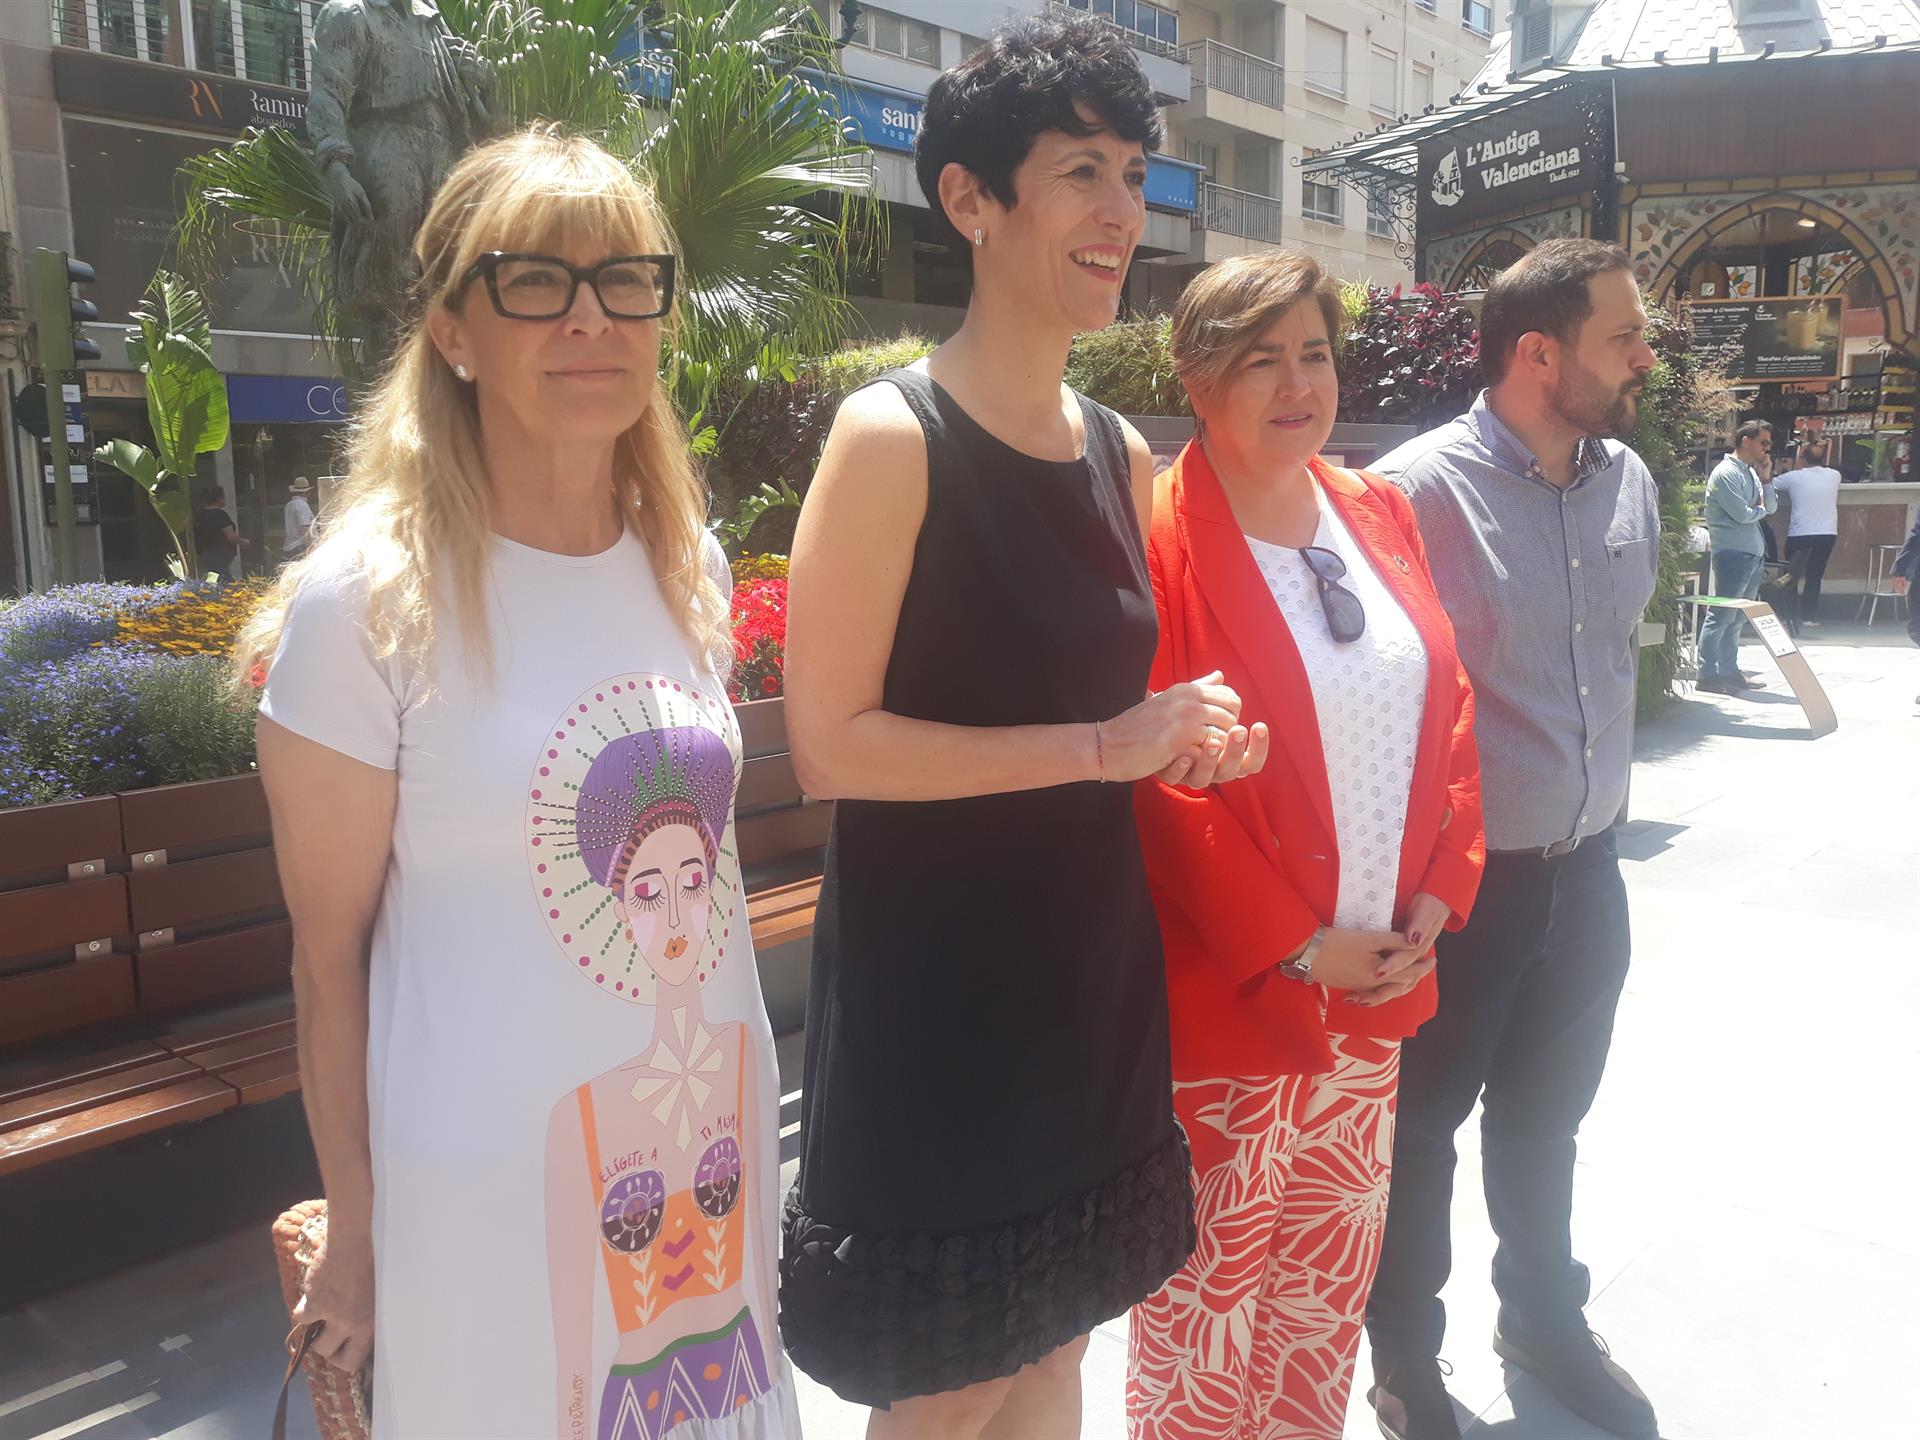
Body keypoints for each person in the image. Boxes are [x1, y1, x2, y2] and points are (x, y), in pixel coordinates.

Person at [236, 129, 800, 1438]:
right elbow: (328, 961)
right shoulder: (364, 606)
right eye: (535, 280)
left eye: (625, 280)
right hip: (485, 1200)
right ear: (452, 331)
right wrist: (356, 1234)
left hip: (703, 1164)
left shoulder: (686, 569)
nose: (590, 318)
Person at [779, 17, 1268, 1438]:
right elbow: (830, 746)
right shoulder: (892, 436)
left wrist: (1182, 740)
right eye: (1078, 173)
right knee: (952, 1386)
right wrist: (1104, 746)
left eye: (1134, 176)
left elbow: (1102, 705)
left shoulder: (1119, 446)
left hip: (1088, 979)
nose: (1121, 212)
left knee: (1056, 1356)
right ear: (970, 199)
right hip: (940, 997)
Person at [1124, 252, 1485, 1440]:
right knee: (1205, 1310)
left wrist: (1440, 891)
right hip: (1237, 1000)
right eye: (1261, 359)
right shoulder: (1157, 532)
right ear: (1196, 378)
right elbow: (1157, 779)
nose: (1298, 384)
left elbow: (1449, 700)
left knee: (1321, 1298)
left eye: (1315, 354)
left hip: (1373, 984)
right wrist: (1291, 944)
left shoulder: (1376, 508)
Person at [1362, 238, 1662, 1440]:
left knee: (1548, 1121)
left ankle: (1543, 1321)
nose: (1646, 357)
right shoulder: (1412, 493)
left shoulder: (1627, 478)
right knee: (1420, 1135)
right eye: (1623, 336)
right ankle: (1405, 1365)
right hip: (1458, 893)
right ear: (1540, 352)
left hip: (1590, 876)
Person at [1697, 419, 1777, 693]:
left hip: (1752, 553)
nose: (1767, 448)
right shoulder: (1725, 473)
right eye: (1763, 442)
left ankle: (1729, 672)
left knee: (1737, 618)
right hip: (1732, 553)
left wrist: (1766, 479)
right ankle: (1707, 675)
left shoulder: (1752, 473)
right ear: (1746, 440)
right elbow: (1742, 514)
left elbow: (1770, 507)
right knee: (1722, 615)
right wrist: (1758, 509)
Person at [1774, 439, 1842, 630]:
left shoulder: (1793, 477)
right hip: (1827, 533)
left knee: (1790, 576)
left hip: (1800, 532)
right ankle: (1808, 617)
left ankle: (1788, 614)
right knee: (1815, 575)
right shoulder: (1835, 476)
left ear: (1802, 459)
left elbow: (1770, 484)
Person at [193, 486, 253, 580]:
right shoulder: (220, 514)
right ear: (220, 499)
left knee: (213, 578)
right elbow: (231, 536)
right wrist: (245, 542)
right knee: (224, 579)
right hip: (219, 554)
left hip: (203, 554)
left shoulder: (199, 515)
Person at [283, 476, 316, 562]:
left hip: (290, 546)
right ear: (306, 492)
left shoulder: (289, 504)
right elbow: (305, 528)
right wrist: (311, 548)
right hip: (299, 547)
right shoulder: (302, 505)